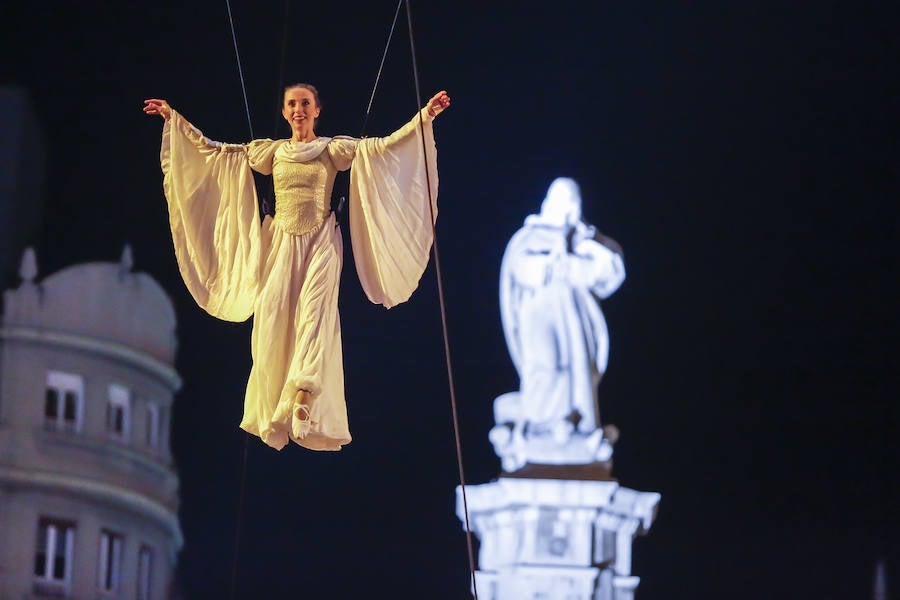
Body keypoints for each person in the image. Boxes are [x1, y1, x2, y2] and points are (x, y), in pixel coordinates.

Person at [144, 85, 450, 452]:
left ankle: (304, 391)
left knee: (314, 313)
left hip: (321, 242)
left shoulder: (332, 150)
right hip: (280, 244)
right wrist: (175, 121)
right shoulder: (271, 152)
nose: (299, 109)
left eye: (305, 103)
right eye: (292, 104)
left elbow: (384, 147)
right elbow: (215, 152)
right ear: (286, 112)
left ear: (316, 110)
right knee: (271, 317)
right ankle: (276, 404)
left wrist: (424, 116)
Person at [492, 177, 624, 471]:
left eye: (572, 202)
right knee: (545, 365)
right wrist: (553, 262)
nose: (567, 209)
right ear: (550, 203)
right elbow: (521, 268)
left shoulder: (585, 238)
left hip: (574, 315)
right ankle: (540, 424)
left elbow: (610, 273)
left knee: (577, 369)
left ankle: (576, 425)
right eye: (562, 201)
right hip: (539, 312)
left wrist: (581, 250)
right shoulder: (530, 236)